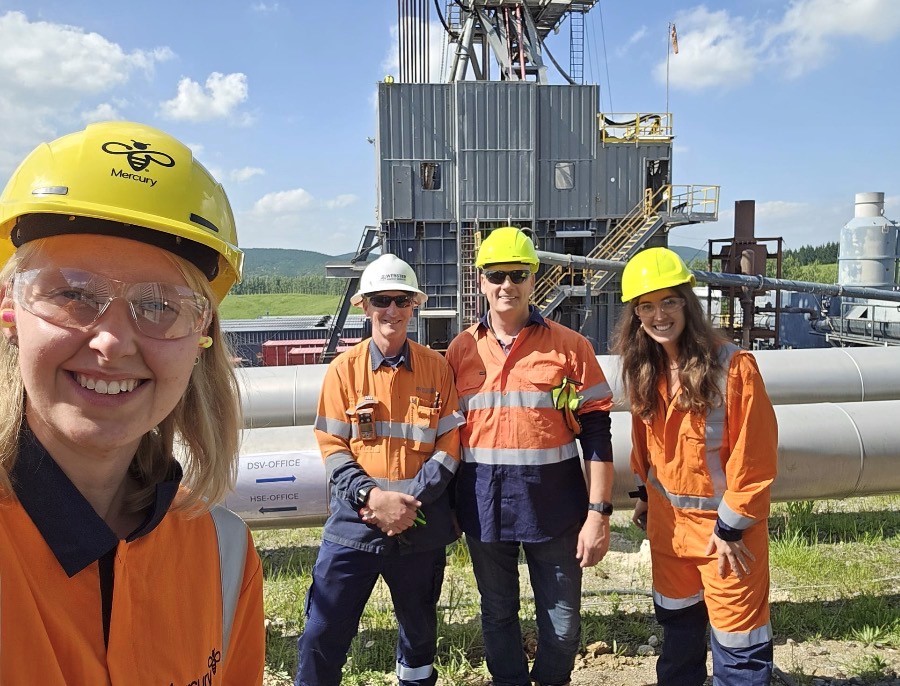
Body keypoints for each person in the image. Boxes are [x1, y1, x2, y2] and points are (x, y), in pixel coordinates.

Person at [0, 121, 264, 684]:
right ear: (10, 309)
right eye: (73, 293)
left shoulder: (224, 554)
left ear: (201, 336)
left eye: (160, 304)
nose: (113, 342)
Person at [445, 226, 615, 686]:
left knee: (562, 622)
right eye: (496, 275)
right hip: (484, 508)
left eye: (518, 274)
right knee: (497, 612)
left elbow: (596, 432)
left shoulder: (570, 347)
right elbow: (448, 436)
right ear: (480, 280)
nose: (507, 285)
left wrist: (598, 513)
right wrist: (450, 506)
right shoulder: (461, 350)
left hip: (554, 509)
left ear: (533, 279)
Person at [295, 253, 464, 686]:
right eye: (381, 300)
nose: (392, 310)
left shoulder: (436, 368)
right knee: (322, 631)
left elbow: (449, 446)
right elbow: (332, 445)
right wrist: (372, 498)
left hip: (418, 523)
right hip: (356, 522)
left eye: (402, 300)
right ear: (365, 306)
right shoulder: (343, 371)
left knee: (419, 634)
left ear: (414, 306)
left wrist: (407, 504)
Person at [613, 247, 778, 686]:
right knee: (679, 638)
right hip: (669, 530)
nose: (659, 315)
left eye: (669, 301)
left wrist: (730, 528)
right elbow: (646, 444)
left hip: (726, 537)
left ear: (687, 302)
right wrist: (644, 496)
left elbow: (755, 457)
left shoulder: (733, 368)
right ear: (635, 315)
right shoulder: (644, 366)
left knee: (738, 649)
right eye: (646, 306)